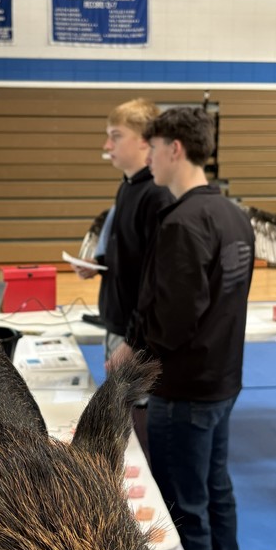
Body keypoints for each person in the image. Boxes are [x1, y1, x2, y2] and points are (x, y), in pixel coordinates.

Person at [113, 107, 255, 550]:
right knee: (216, 488)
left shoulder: (182, 223)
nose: (148, 158)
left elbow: (173, 320)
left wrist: (136, 352)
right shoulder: (232, 214)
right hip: (222, 378)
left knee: (184, 502)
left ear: (175, 150)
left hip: (186, 387)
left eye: (152, 148)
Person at [70, 98, 170, 360]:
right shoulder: (128, 186)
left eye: (116, 136)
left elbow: (157, 279)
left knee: (132, 402)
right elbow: (131, 252)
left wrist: (134, 340)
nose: (107, 146)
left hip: (136, 333)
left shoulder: (157, 194)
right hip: (119, 324)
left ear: (145, 140)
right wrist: (100, 262)